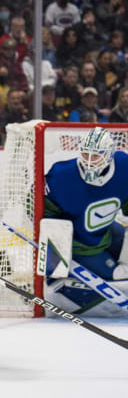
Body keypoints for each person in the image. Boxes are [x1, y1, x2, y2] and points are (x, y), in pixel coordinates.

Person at [43, 127, 128, 316]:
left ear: (109, 154)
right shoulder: (62, 175)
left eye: (96, 155)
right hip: (80, 243)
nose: (89, 161)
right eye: (85, 153)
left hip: (106, 230)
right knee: (120, 275)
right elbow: (40, 210)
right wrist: (56, 255)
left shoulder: (124, 166)